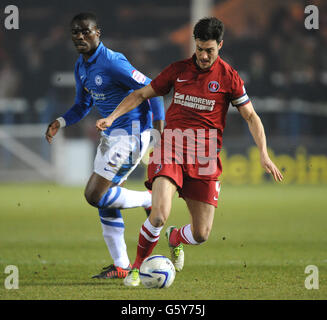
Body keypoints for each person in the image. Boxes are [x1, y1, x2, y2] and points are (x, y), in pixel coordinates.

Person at [95, 17, 283, 287]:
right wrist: (112, 118)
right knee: (159, 213)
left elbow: (251, 117)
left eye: (210, 50)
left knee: (202, 233)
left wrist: (264, 153)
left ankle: (175, 238)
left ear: (220, 45)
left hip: (205, 159)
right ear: (194, 45)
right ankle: (135, 269)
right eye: (199, 49)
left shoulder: (229, 78)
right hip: (170, 148)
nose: (204, 56)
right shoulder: (177, 70)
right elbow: (139, 95)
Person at [45, 13, 165, 279]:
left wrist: (158, 132)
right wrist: (61, 121)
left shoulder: (113, 62)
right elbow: (83, 104)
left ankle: (150, 199)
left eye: (86, 32)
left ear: (97, 32)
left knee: (93, 195)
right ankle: (122, 265)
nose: (80, 36)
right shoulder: (81, 66)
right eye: (75, 32)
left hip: (133, 133)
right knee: (104, 201)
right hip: (111, 136)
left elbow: (153, 88)